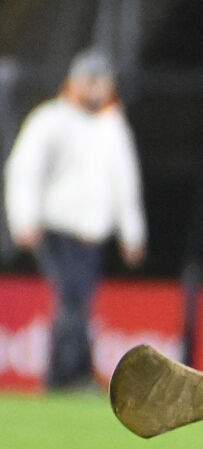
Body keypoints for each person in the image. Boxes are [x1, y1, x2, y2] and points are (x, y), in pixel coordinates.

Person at [4, 48, 146, 391]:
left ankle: (70, 375)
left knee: (80, 302)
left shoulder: (111, 125)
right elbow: (24, 171)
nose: (98, 88)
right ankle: (66, 376)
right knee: (71, 301)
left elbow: (124, 181)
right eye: (91, 80)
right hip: (56, 228)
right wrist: (23, 218)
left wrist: (132, 231)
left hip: (92, 233)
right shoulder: (50, 119)